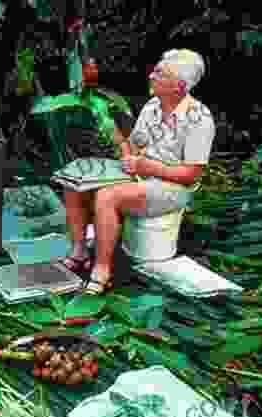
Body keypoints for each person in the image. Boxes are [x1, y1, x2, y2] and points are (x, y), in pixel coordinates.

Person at [61, 49, 215, 295]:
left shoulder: (199, 119)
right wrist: (112, 132)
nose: (151, 76)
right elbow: (133, 148)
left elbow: (191, 175)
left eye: (160, 74)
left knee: (107, 196)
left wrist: (147, 167)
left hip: (173, 188)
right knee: (73, 182)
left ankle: (102, 270)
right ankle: (79, 251)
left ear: (179, 86)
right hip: (140, 176)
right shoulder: (153, 106)